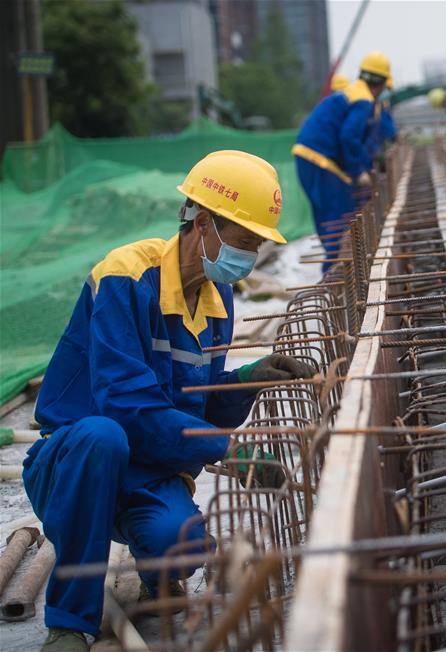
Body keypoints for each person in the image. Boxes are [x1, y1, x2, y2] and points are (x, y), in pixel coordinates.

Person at [25, 150, 316, 652]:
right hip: (75, 462)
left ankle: (158, 570)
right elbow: (125, 403)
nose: (248, 257)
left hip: (147, 468)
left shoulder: (216, 298)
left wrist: (248, 378)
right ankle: (70, 620)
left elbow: (189, 405)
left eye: (257, 245)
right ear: (203, 224)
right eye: (245, 242)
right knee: (103, 436)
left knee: (179, 548)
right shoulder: (124, 278)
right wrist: (228, 450)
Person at [293, 51, 391, 271]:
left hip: (307, 155)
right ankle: (335, 276)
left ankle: (333, 271)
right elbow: (348, 136)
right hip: (320, 159)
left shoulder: (353, 92)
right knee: (339, 215)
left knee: (328, 217)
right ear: (383, 83)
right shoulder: (363, 99)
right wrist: (359, 171)